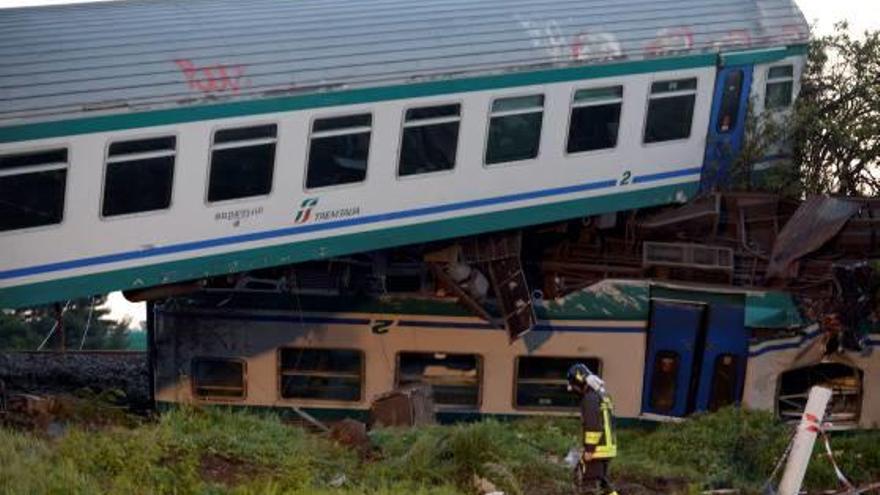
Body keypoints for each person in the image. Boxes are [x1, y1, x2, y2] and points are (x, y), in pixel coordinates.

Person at [567, 363, 619, 495]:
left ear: (580, 381)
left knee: (589, 487)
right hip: (608, 449)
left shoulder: (589, 398)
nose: (572, 388)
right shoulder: (603, 395)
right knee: (604, 485)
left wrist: (589, 450)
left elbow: (593, 425)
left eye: (573, 385)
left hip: (597, 450)